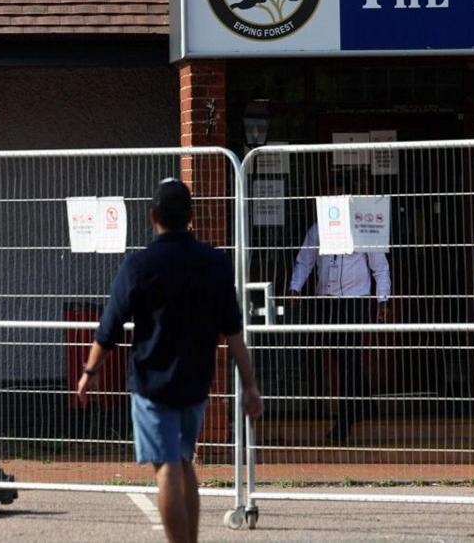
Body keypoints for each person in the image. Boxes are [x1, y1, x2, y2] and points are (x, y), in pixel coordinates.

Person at [78, 178, 263, 543]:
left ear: (153, 216)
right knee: (183, 462)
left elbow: (109, 327)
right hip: (196, 380)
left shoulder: (140, 265)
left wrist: (90, 371)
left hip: (151, 383)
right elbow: (234, 330)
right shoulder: (215, 263)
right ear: (190, 216)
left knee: (165, 466)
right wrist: (250, 385)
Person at [288, 176, 391, 444]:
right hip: (327, 300)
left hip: (355, 300)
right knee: (343, 356)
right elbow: (305, 260)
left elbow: (380, 266)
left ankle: (345, 420)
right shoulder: (318, 229)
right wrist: (294, 287)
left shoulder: (362, 228)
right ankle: (366, 403)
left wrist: (383, 300)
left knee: (348, 357)